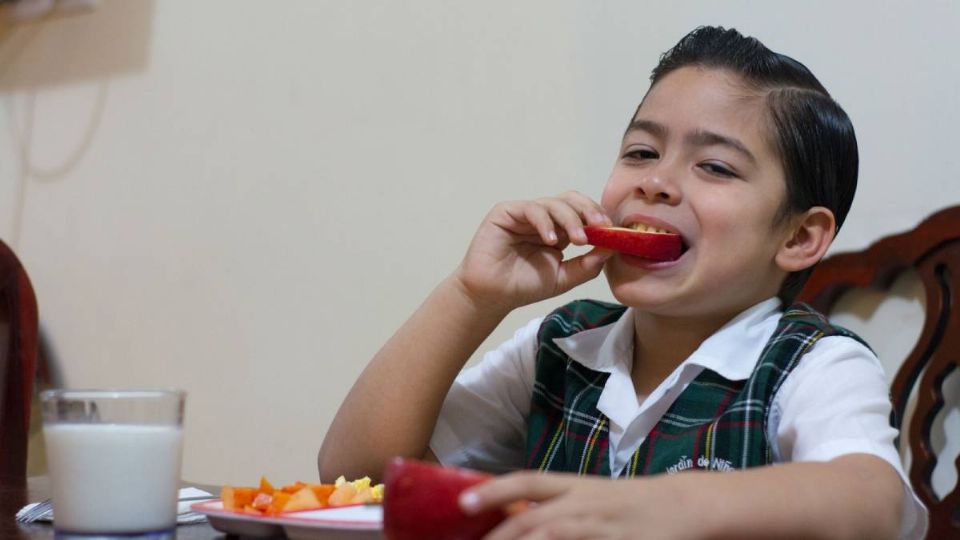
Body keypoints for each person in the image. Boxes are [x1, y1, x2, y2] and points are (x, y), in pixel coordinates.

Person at [319, 26, 927, 539]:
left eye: (714, 166)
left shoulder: (811, 365)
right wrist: (473, 295)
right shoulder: (560, 348)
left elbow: (872, 501)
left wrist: (661, 504)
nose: (656, 183)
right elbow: (357, 475)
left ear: (797, 238)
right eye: (640, 152)